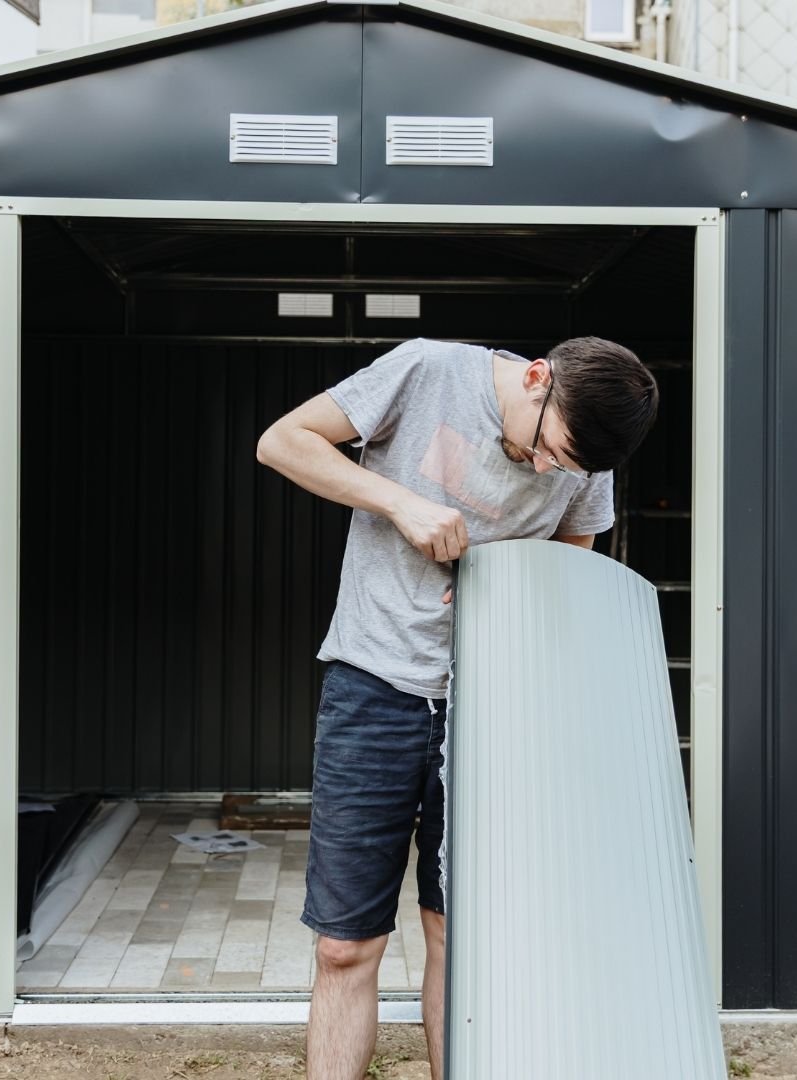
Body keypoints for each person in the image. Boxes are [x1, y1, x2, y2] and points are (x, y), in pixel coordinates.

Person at [255, 335, 660, 1079]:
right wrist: (402, 503)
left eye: (564, 468)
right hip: (373, 685)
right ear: (536, 379)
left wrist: (508, 593)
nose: (548, 471)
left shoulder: (580, 461)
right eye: (549, 450)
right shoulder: (427, 371)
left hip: (493, 702)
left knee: (459, 937)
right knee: (345, 943)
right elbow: (283, 442)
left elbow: (569, 567)